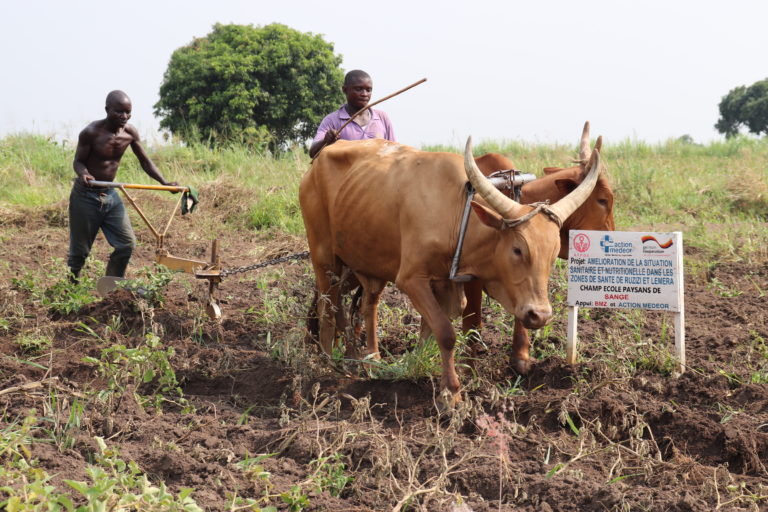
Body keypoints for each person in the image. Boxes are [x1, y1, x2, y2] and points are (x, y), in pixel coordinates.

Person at [68, 90, 177, 282]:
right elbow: (78, 162)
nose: (124, 117)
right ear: (107, 110)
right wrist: (84, 174)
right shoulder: (90, 132)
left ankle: (112, 285)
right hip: (85, 195)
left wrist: (165, 182)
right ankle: (72, 283)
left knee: (126, 244)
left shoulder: (130, 133)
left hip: (110, 193)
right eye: (119, 112)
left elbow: (145, 162)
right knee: (80, 251)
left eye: (128, 112)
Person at [308, 70, 395, 158]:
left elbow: (394, 152)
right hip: (346, 172)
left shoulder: (382, 118)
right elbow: (313, 153)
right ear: (345, 90)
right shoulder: (332, 120)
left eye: (368, 90)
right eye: (358, 89)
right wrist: (326, 141)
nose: (364, 94)